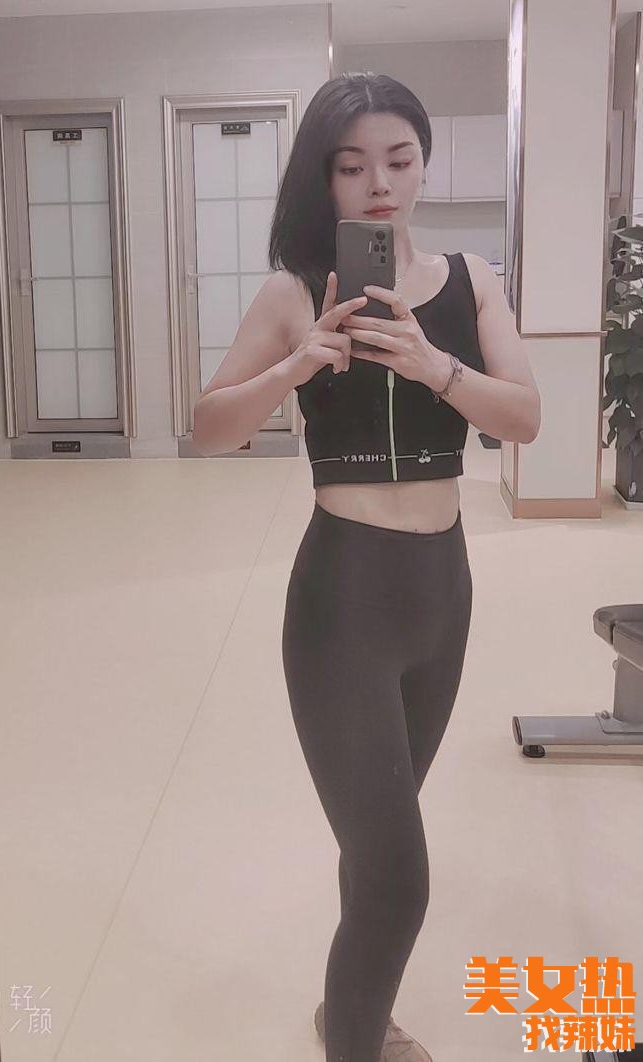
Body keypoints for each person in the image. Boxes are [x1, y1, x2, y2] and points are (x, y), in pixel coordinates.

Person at [193, 72, 541, 1062]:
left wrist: (436, 365)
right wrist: (295, 363)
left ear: (424, 165)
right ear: (326, 180)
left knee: (375, 844)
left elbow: (525, 417)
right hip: (342, 603)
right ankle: (356, 1038)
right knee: (398, 877)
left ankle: (349, 1011)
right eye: (352, 166)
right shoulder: (296, 289)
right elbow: (209, 428)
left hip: (442, 595)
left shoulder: (474, 281)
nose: (379, 183)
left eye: (398, 158)